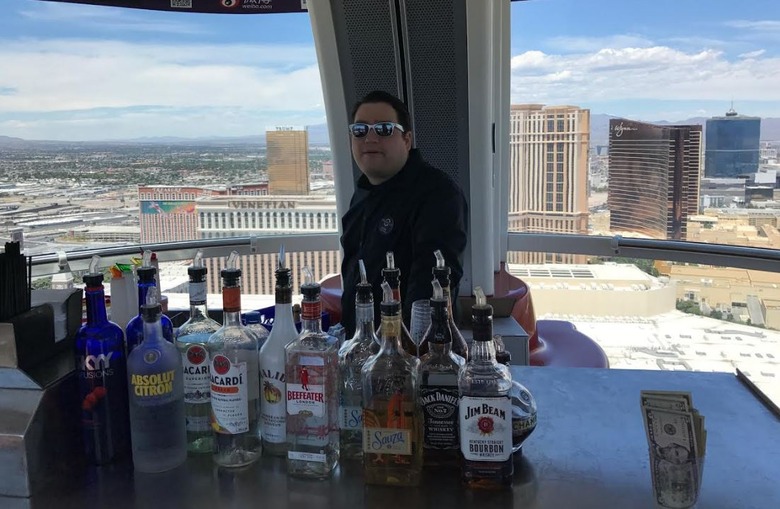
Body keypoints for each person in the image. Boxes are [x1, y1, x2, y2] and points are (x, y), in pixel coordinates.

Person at [340, 90, 468, 337]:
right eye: (360, 130)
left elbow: (430, 290)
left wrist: (400, 355)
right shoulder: (363, 194)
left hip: (406, 356)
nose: (370, 138)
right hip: (361, 348)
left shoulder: (437, 194)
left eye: (384, 129)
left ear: (407, 140)